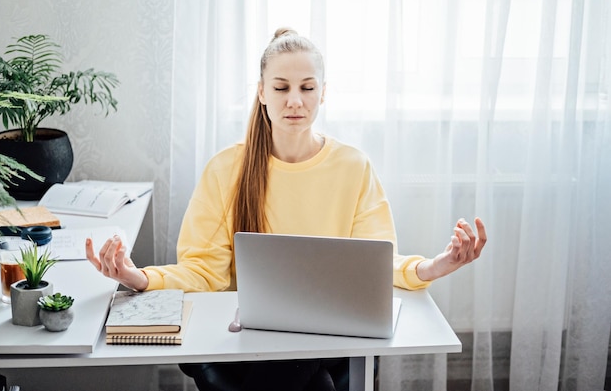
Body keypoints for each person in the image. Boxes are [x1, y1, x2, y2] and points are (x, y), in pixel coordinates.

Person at [86, 28, 487, 391]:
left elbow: (376, 265)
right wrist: (137, 277)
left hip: (328, 333)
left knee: (304, 368)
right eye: (281, 88)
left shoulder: (354, 166)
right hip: (247, 335)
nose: (295, 101)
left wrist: (434, 267)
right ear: (261, 92)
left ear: (323, 93)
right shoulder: (227, 169)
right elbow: (203, 272)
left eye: (307, 88)